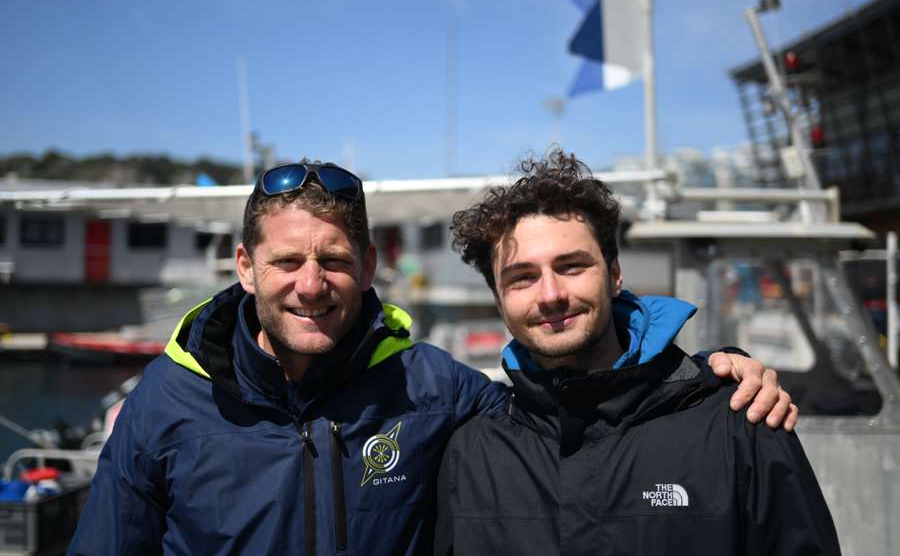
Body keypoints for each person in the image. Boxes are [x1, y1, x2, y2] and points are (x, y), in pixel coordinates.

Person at [69, 160, 795, 555]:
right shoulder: (168, 399)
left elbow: (578, 405)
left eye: (335, 259)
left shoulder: (435, 388)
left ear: (371, 264)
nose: (312, 283)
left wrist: (706, 373)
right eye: (287, 260)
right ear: (245, 267)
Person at [435, 152, 839, 555]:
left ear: (614, 277)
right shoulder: (471, 456)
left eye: (572, 266)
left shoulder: (741, 422)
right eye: (522, 277)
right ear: (499, 299)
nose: (551, 295)